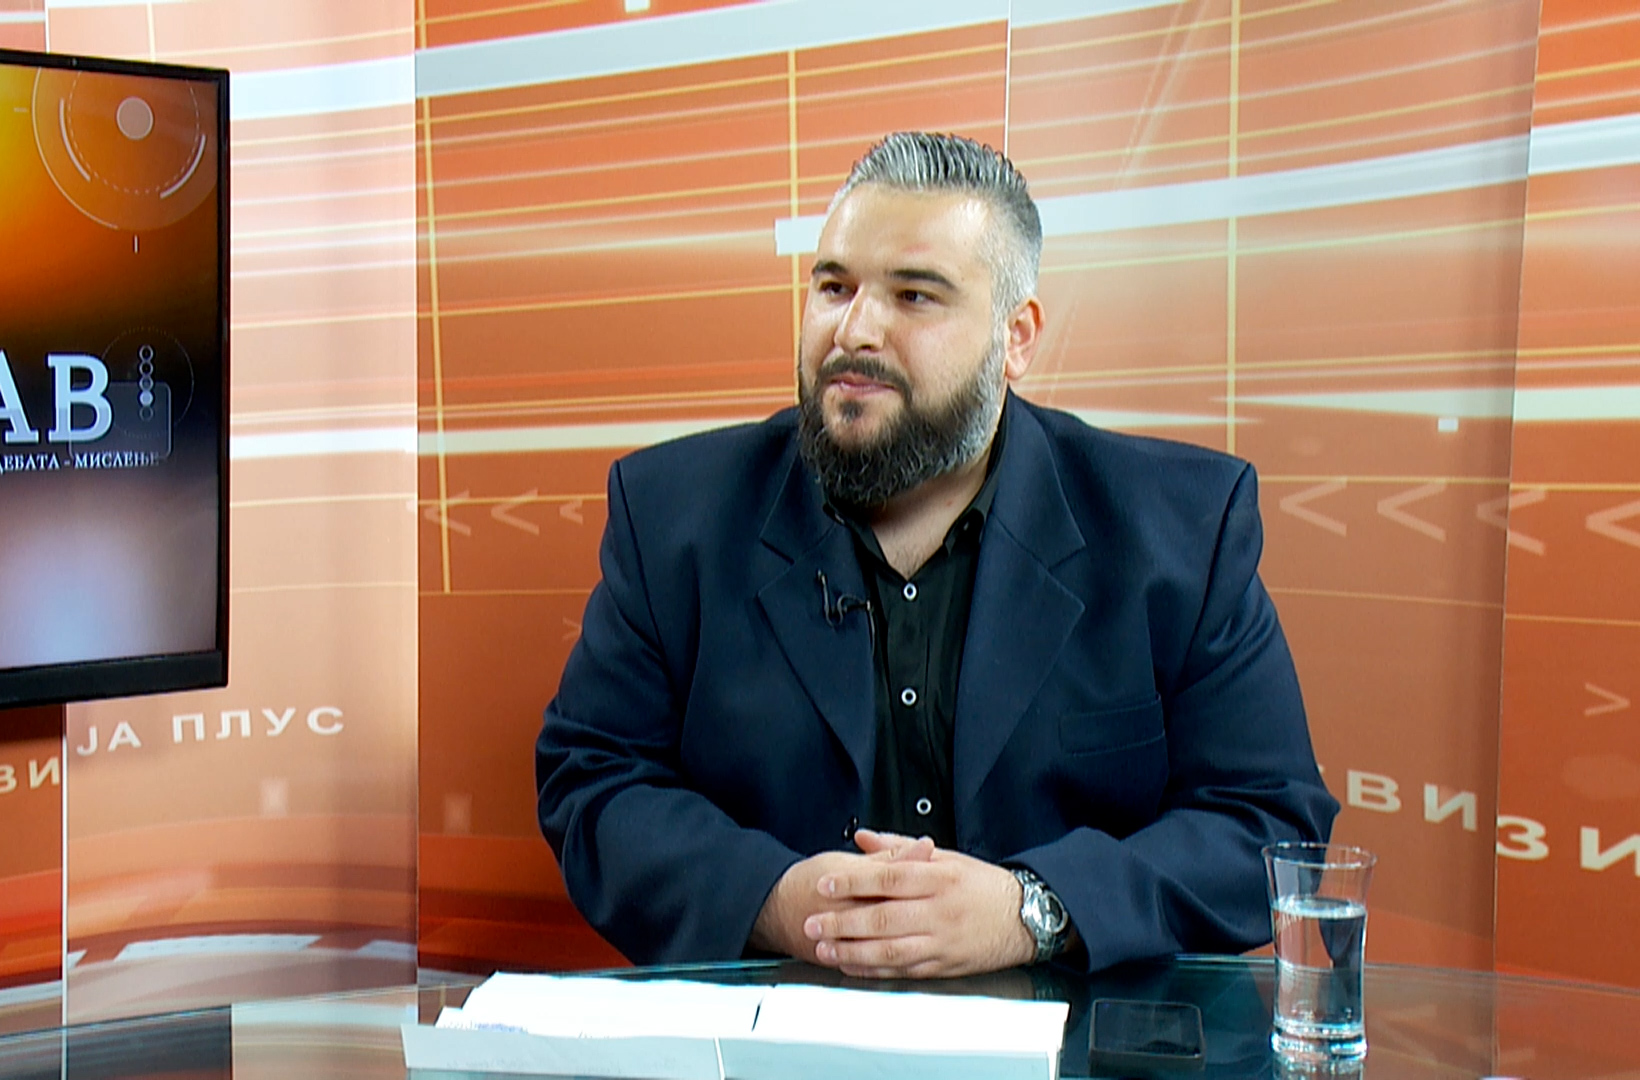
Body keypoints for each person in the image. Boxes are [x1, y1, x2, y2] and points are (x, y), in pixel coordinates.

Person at [535, 132, 1337, 977]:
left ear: (1015, 337)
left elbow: (1268, 820)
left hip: (1073, 1031)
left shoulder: (1178, 528)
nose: (855, 330)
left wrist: (1037, 910)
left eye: (914, 296)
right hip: (770, 1025)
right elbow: (593, 783)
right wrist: (777, 899)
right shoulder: (672, 515)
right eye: (834, 286)